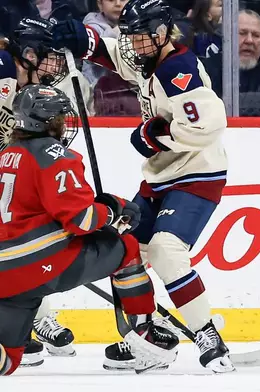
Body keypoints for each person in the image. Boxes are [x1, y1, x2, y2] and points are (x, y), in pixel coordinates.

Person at [51, 0, 233, 373]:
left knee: (166, 250)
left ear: (163, 34)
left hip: (197, 174)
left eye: (140, 38)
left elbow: (209, 123)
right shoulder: (147, 55)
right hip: (160, 176)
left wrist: (154, 135)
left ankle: (208, 334)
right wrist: (82, 39)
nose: (132, 45)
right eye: (129, 37)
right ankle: (152, 338)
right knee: (124, 249)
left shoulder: (178, 69)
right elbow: (114, 52)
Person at [0, 85, 179, 376]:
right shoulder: (54, 154)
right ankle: (144, 335)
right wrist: (112, 211)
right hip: (36, 262)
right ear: (47, 121)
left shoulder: (6, 154)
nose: (63, 123)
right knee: (126, 248)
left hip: (5, 275)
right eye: (59, 117)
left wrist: (104, 207)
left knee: (8, 360)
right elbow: (81, 220)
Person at [0, 16, 80, 366]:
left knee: (18, 242)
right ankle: (33, 319)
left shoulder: (17, 83)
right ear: (28, 54)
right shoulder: (3, 70)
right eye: (47, 54)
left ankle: (29, 321)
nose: (52, 64)